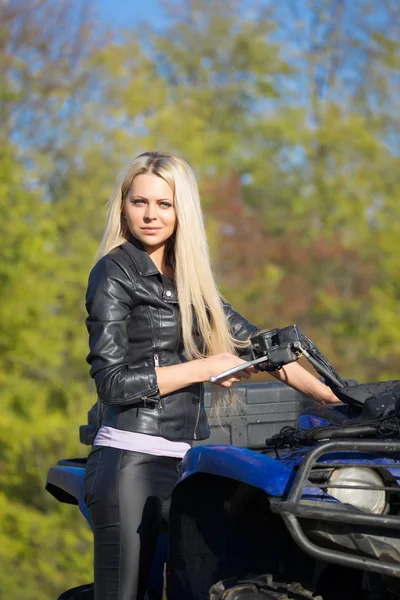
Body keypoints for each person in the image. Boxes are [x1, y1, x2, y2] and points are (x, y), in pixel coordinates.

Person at [84, 151, 339, 600]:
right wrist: (204, 367)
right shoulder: (113, 273)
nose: (150, 215)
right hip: (129, 461)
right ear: (123, 206)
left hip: (182, 466)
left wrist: (335, 398)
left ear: (183, 210)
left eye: (164, 204)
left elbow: (261, 348)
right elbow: (113, 382)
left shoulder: (190, 280)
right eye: (139, 202)